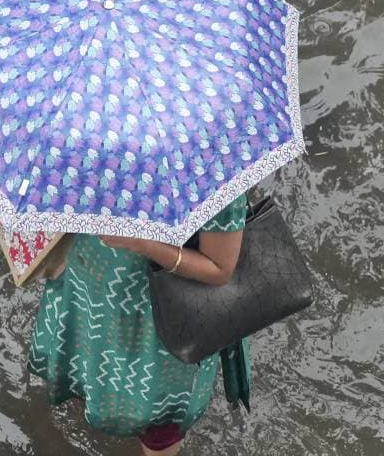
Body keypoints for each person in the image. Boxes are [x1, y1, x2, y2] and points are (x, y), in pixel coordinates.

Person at [28, 195, 248, 455]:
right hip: (91, 293)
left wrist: (145, 244)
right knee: (85, 371)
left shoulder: (215, 178)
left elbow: (220, 269)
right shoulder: (90, 156)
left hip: (159, 317)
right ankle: (93, 406)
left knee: (159, 422)